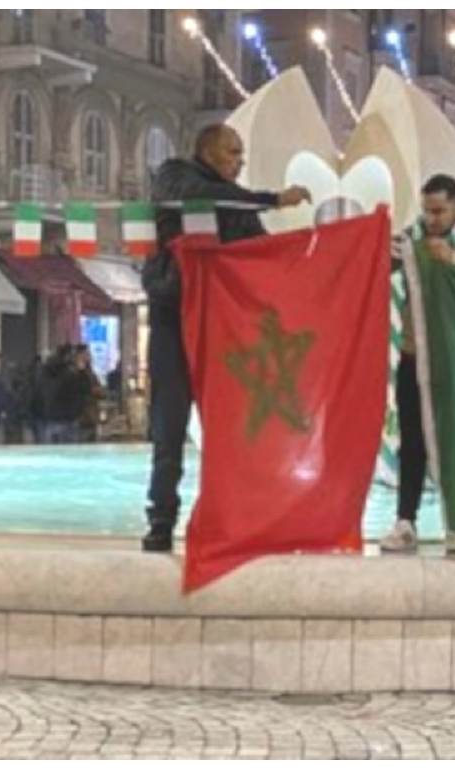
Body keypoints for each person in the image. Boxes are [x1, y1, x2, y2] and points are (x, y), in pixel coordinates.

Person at [141, 124, 312, 554]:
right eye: (233, 152)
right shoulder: (174, 176)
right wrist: (272, 199)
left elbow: (272, 259)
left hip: (220, 328)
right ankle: (161, 520)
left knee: (237, 427)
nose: (241, 160)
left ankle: (235, 518)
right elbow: (201, 195)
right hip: (172, 321)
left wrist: (336, 260)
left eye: (242, 153)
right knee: (170, 427)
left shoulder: (238, 210)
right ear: (207, 151)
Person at [380, 174, 455, 556]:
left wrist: (452, 262)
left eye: (439, 211)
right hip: (416, 355)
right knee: (411, 441)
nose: (432, 219)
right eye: (427, 211)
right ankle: (406, 521)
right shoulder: (414, 236)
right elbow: (384, 264)